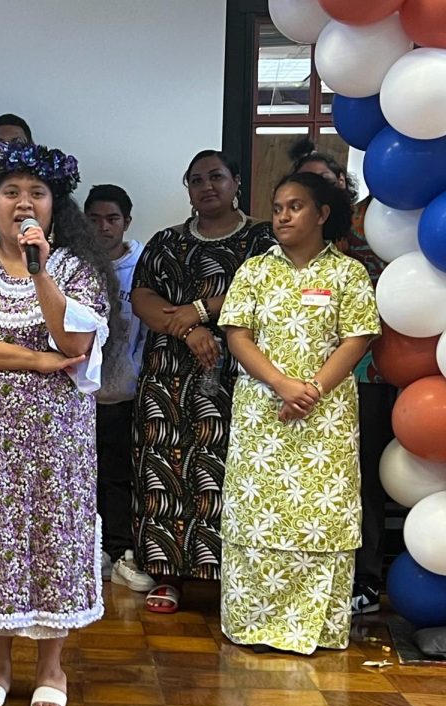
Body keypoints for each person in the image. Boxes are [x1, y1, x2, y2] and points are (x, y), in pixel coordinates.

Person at [0, 141, 111, 706]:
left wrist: (41, 274)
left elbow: (75, 343)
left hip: (59, 437)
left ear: (56, 207)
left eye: (37, 193)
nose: (24, 203)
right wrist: (34, 360)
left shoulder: (77, 270)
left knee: (53, 535)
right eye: (12, 192)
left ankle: (51, 666)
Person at [219, 172, 380, 653]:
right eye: (278, 207)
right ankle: (252, 622)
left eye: (296, 207)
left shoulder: (347, 273)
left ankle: (314, 625)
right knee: (257, 513)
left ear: (323, 214)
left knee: (321, 513)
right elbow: (237, 335)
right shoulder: (255, 270)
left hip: (325, 417)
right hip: (262, 412)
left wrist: (311, 389)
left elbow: (359, 336)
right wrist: (281, 384)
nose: (283, 216)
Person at [131, 150, 274, 614]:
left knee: (230, 472)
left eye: (217, 176)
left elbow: (264, 292)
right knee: (165, 471)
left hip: (239, 374)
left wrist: (202, 310)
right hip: (168, 380)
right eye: (196, 179)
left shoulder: (262, 239)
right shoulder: (166, 241)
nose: (207, 186)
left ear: (237, 182)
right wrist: (189, 328)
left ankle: (233, 579)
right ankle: (167, 576)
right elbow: (143, 299)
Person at [289, 139, 392, 616]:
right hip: (289, 387)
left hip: (368, 374)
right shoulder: (279, 254)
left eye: (326, 183)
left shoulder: (372, 232)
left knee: (361, 479)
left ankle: (364, 578)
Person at [84, 184, 154, 594]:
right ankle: (92, 549)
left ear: (126, 221)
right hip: (82, 395)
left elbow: (146, 331)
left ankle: (122, 549)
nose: (103, 227)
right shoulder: (74, 265)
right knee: (85, 475)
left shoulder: (141, 263)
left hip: (128, 393)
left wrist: (139, 373)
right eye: (94, 219)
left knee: (121, 476)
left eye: (112, 219)